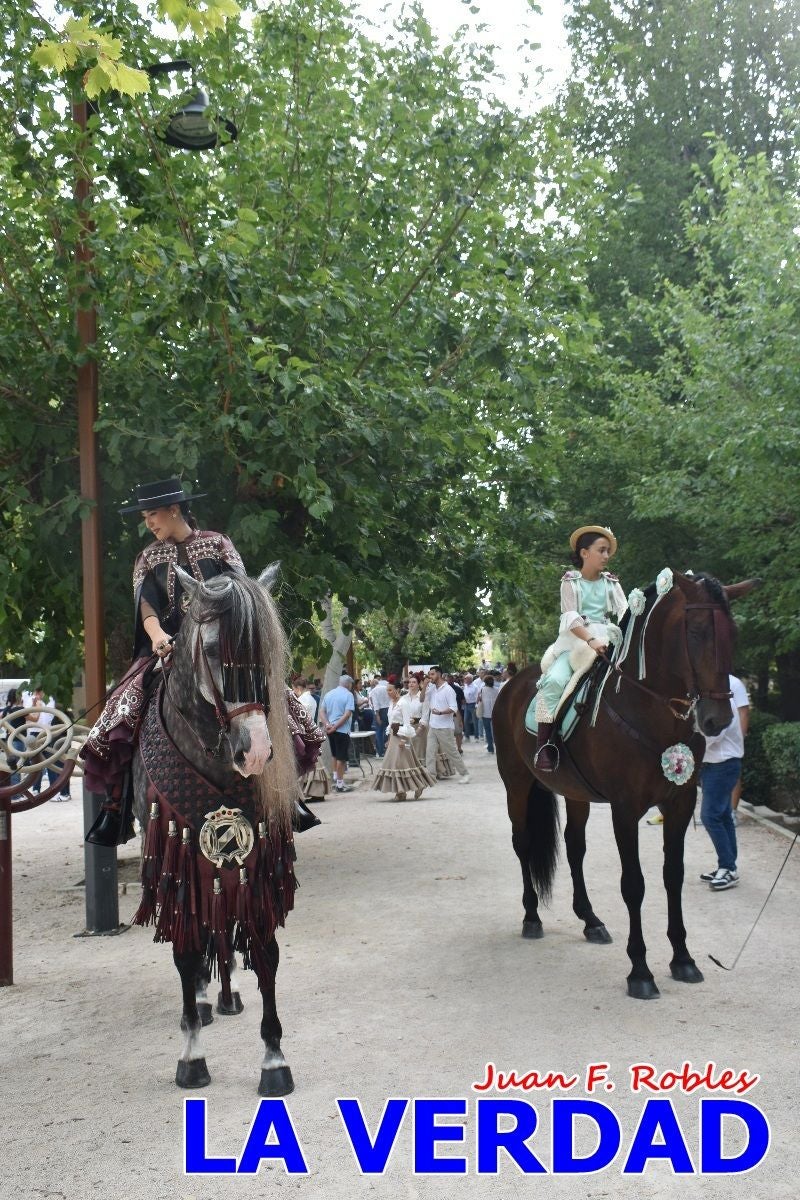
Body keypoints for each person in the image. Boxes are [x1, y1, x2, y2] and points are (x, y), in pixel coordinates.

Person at [82, 477, 246, 845]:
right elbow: (147, 606)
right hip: (166, 647)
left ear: (174, 509)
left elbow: (243, 591)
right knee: (117, 713)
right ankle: (117, 806)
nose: (148, 524)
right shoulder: (147, 556)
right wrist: (157, 636)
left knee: (276, 701)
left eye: (151, 515)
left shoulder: (219, 543)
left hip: (223, 646)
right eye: (144, 517)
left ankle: (289, 794)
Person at [533, 526, 627, 772]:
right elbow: (571, 617)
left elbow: (625, 613)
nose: (606, 556)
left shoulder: (612, 583)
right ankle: (545, 745)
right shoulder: (570, 582)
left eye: (608, 551)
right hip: (575, 643)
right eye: (601, 550)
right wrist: (591, 640)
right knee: (553, 681)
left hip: (610, 639)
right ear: (584, 553)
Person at [699, 674, 750, 891]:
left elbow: (712, 736)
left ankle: (728, 866)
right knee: (722, 815)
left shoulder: (722, 705)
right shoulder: (717, 701)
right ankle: (728, 866)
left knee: (710, 816)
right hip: (718, 764)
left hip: (722, 764)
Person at [372, 683, 435, 800]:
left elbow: (407, 723)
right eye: (387, 690)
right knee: (402, 763)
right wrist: (389, 738)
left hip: (403, 737)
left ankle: (404, 791)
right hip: (394, 737)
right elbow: (391, 723)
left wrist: (403, 740)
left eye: (390, 690)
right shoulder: (391, 704)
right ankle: (404, 791)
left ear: (398, 690)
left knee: (403, 763)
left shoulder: (403, 703)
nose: (388, 693)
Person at [419, 667, 470, 784]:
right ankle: (431, 776)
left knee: (452, 752)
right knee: (430, 752)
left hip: (445, 727)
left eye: (432, 674)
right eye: (429, 674)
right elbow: (422, 700)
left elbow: (454, 708)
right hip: (433, 726)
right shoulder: (431, 688)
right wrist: (425, 686)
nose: (430, 677)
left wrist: (441, 712)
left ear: (439, 674)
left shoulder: (448, 690)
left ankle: (465, 773)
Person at [319, 674, 356, 793]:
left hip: (330, 730)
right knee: (342, 757)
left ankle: (336, 778)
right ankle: (340, 784)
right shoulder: (348, 695)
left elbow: (322, 711)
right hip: (342, 730)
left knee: (335, 755)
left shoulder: (329, 694)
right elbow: (347, 714)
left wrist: (327, 724)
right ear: (349, 684)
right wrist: (335, 726)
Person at [369, 674, 391, 757]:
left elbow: (375, 704)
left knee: (379, 731)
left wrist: (377, 715)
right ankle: (387, 749)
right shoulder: (385, 687)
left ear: (373, 685)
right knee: (387, 730)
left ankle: (380, 751)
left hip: (380, 710)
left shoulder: (374, 691)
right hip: (388, 709)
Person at [479, 673, 498, 753]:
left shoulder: (482, 689)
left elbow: (479, 699)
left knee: (487, 731)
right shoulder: (496, 689)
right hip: (495, 713)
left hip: (485, 713)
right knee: (496, 731)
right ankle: (498, 746)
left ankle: (490, 748)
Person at [462, 673, 482, 741]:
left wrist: (476, 705)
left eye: (466, 678)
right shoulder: (465, 686)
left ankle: (476, 736)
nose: (464, 680)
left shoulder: (475, 687)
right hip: (466, 705)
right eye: (464, 678)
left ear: (470, 679)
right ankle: (467, 736)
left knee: (475, 721)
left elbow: (477, 696)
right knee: (465, 721)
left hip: (473, 705)